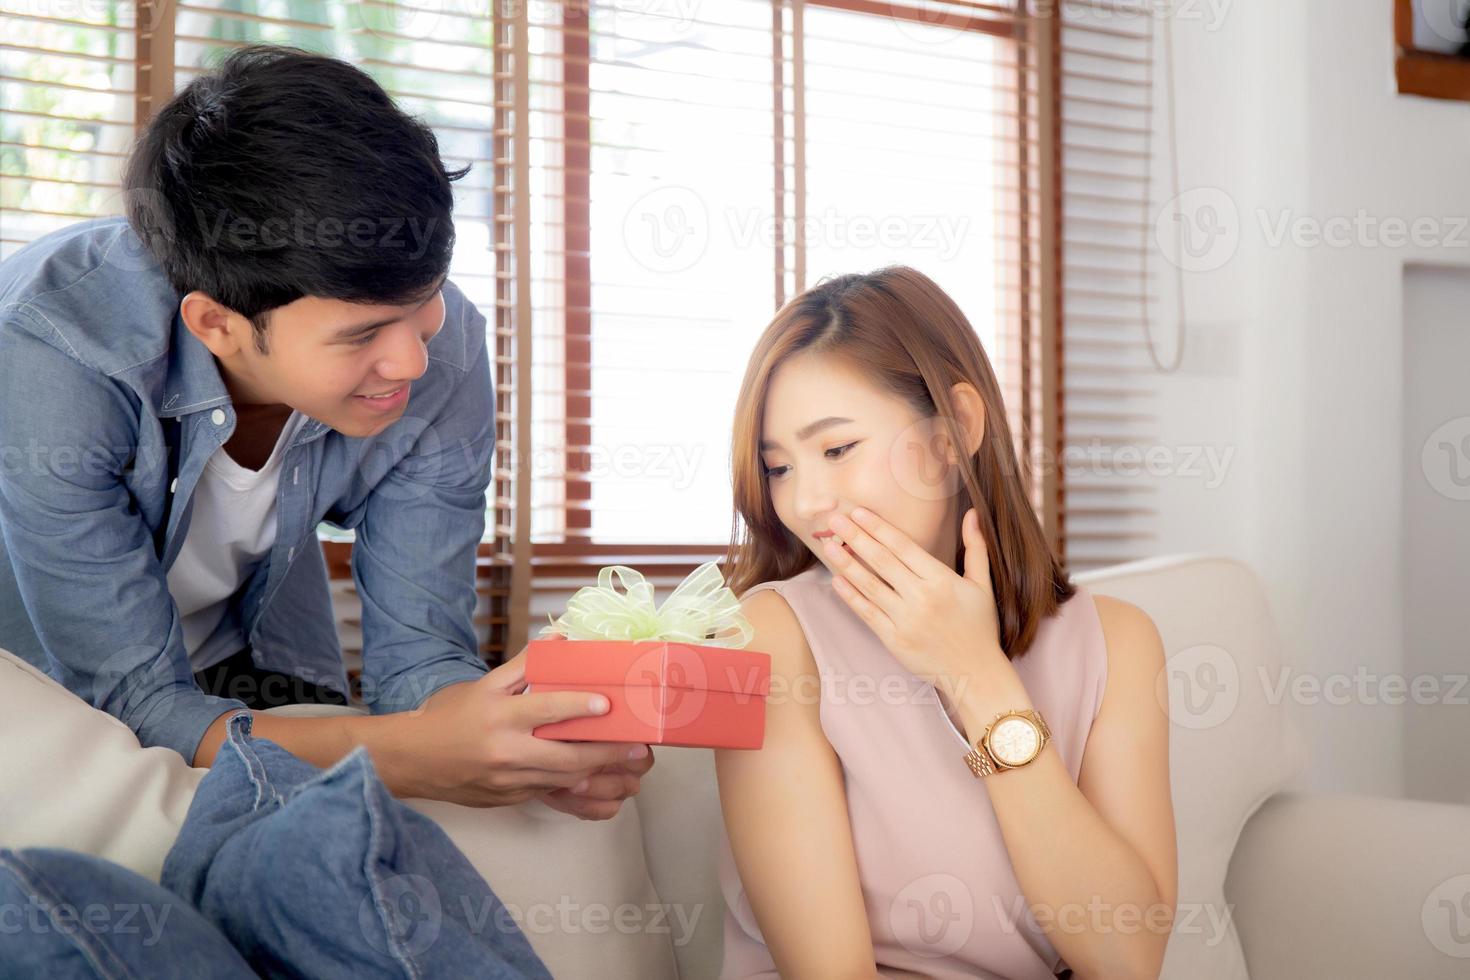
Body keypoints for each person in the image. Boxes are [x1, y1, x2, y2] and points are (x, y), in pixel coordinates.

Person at [0, 45, 650, 819]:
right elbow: (134, 705)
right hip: (41, 687)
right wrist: (413, 752)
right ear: (218, 324)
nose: (412, 358)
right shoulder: (57, 351)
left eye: (428, 299)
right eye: (362, 335)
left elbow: (422, 658)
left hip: (251, 664)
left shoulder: (448, 346)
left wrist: (515, 747)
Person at [714, 268, 1178, 978]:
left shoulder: (1119, 643)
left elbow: (1128, 955)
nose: (806, 502)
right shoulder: (772, 641)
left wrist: (978, 678)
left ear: (953, 431)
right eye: (778, 468)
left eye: (838, 450)